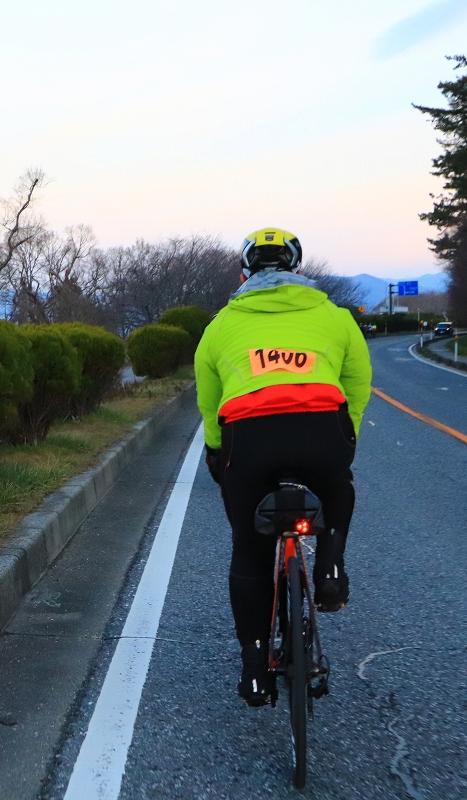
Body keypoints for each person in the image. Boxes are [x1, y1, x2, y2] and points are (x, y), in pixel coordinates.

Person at [194, 228, 372, 708]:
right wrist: (346, 433)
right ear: (298, 272)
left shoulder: (221, 324)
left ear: (243, 274)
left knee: (249, 549)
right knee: (337, 483)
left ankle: (254, 669)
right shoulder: (334, 317)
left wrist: (216, 451)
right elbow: (357, 380)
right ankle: (331, 566)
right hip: (321, 430)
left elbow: (209, 401)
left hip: (247, 441)